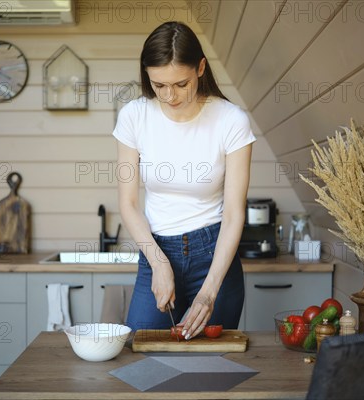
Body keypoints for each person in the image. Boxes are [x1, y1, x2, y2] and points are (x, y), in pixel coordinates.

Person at [113, 21, 256, 340]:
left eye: (180, 83)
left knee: (214, 367)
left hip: (215, 254)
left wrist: (209, 292)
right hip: (157, 250)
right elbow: (129, 203)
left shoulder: (231, 121)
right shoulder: (134, 117)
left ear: (201, 68)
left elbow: (234, 214)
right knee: (142, 352)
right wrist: (158, 263)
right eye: (159, 85)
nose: (169, 95)